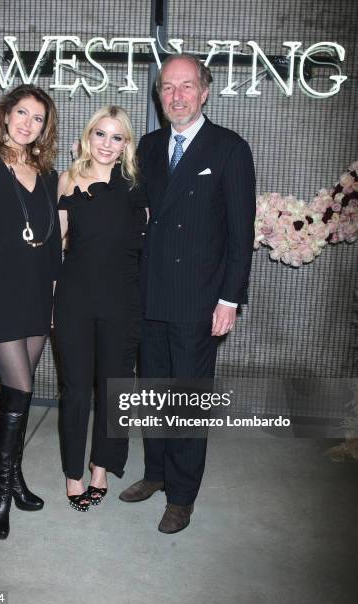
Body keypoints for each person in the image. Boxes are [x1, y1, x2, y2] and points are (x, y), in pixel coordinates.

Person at [119, 54, 256, 533]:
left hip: (199, 302)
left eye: (186, 86)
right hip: (149, 295)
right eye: (167, 88)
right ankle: (154, 473)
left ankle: (181, 495)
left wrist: (229, 299)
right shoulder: (150, 147)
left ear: (205, 92)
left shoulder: (229, 149)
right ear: (160, 97)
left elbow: (241, 235)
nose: (176, 96)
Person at [0, 84, 61, 539]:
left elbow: (54, 243)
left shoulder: (47, 174)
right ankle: (0, 494)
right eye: (22, 112)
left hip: (38, 295)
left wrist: (56, 295)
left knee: (15, 397)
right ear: (5, 115)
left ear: (45, 127)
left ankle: (15, 478)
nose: (28, 123)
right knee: (18, 392)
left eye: (37, 118)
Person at [54, 105, 146, 512]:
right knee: (75, 391)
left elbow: (145, 248)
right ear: (87, 137)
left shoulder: (136, 186)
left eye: (117, 137)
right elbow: (56, 248)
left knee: (114, 391)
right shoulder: (67, 180)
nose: (107, 144)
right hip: (73, 299)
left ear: (126, 144)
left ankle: (101, 467)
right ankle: (73, 472)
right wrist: (52, 302)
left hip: (121, 302)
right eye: (101, 135)